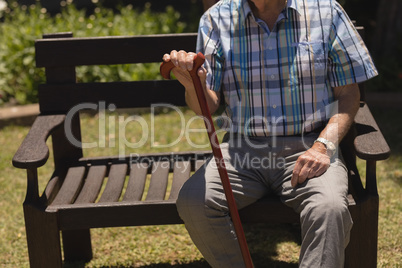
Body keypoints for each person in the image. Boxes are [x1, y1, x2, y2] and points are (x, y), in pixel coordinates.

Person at [162, 0, 378, 267]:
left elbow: (348, 94)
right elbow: (209, 104)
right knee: (194, 202)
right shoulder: (216, 19)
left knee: (329, 208)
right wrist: (193, 84)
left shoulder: (327, 11)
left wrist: (324, 145)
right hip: (243, 150)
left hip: (309, 145)